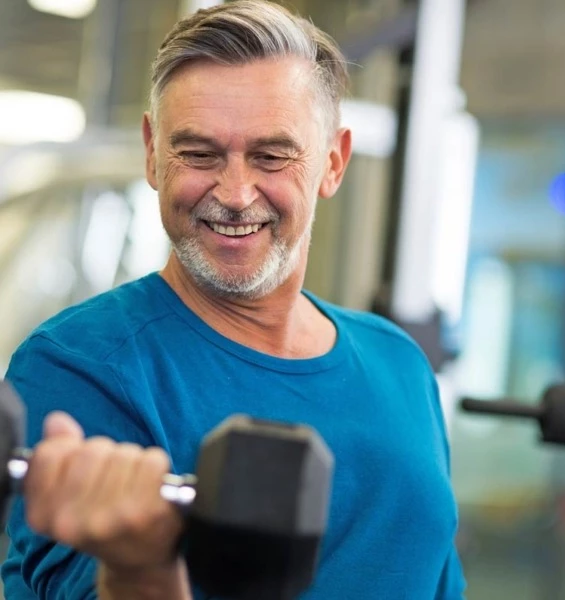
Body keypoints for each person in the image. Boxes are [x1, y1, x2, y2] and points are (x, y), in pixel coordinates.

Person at [1, 1, 466, 598]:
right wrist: (139, 564)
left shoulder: (398, 362)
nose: (237, 193)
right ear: (151, 152)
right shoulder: (76, 366)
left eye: (271, 156)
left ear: (333, 161)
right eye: (199, 154)